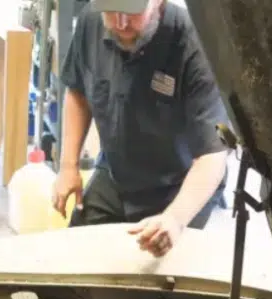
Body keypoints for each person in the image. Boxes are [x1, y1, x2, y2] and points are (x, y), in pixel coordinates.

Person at [52, 0, 229, 257]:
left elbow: (213, 156)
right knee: (75, 259)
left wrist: (176, 219)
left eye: (133, 11)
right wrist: (68, 167)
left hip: (178, 185)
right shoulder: (92, 21)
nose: (121, 23)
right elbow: (77, 93)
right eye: (112, 9)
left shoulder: (197, 45)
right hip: (116, 174)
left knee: (161, 280)